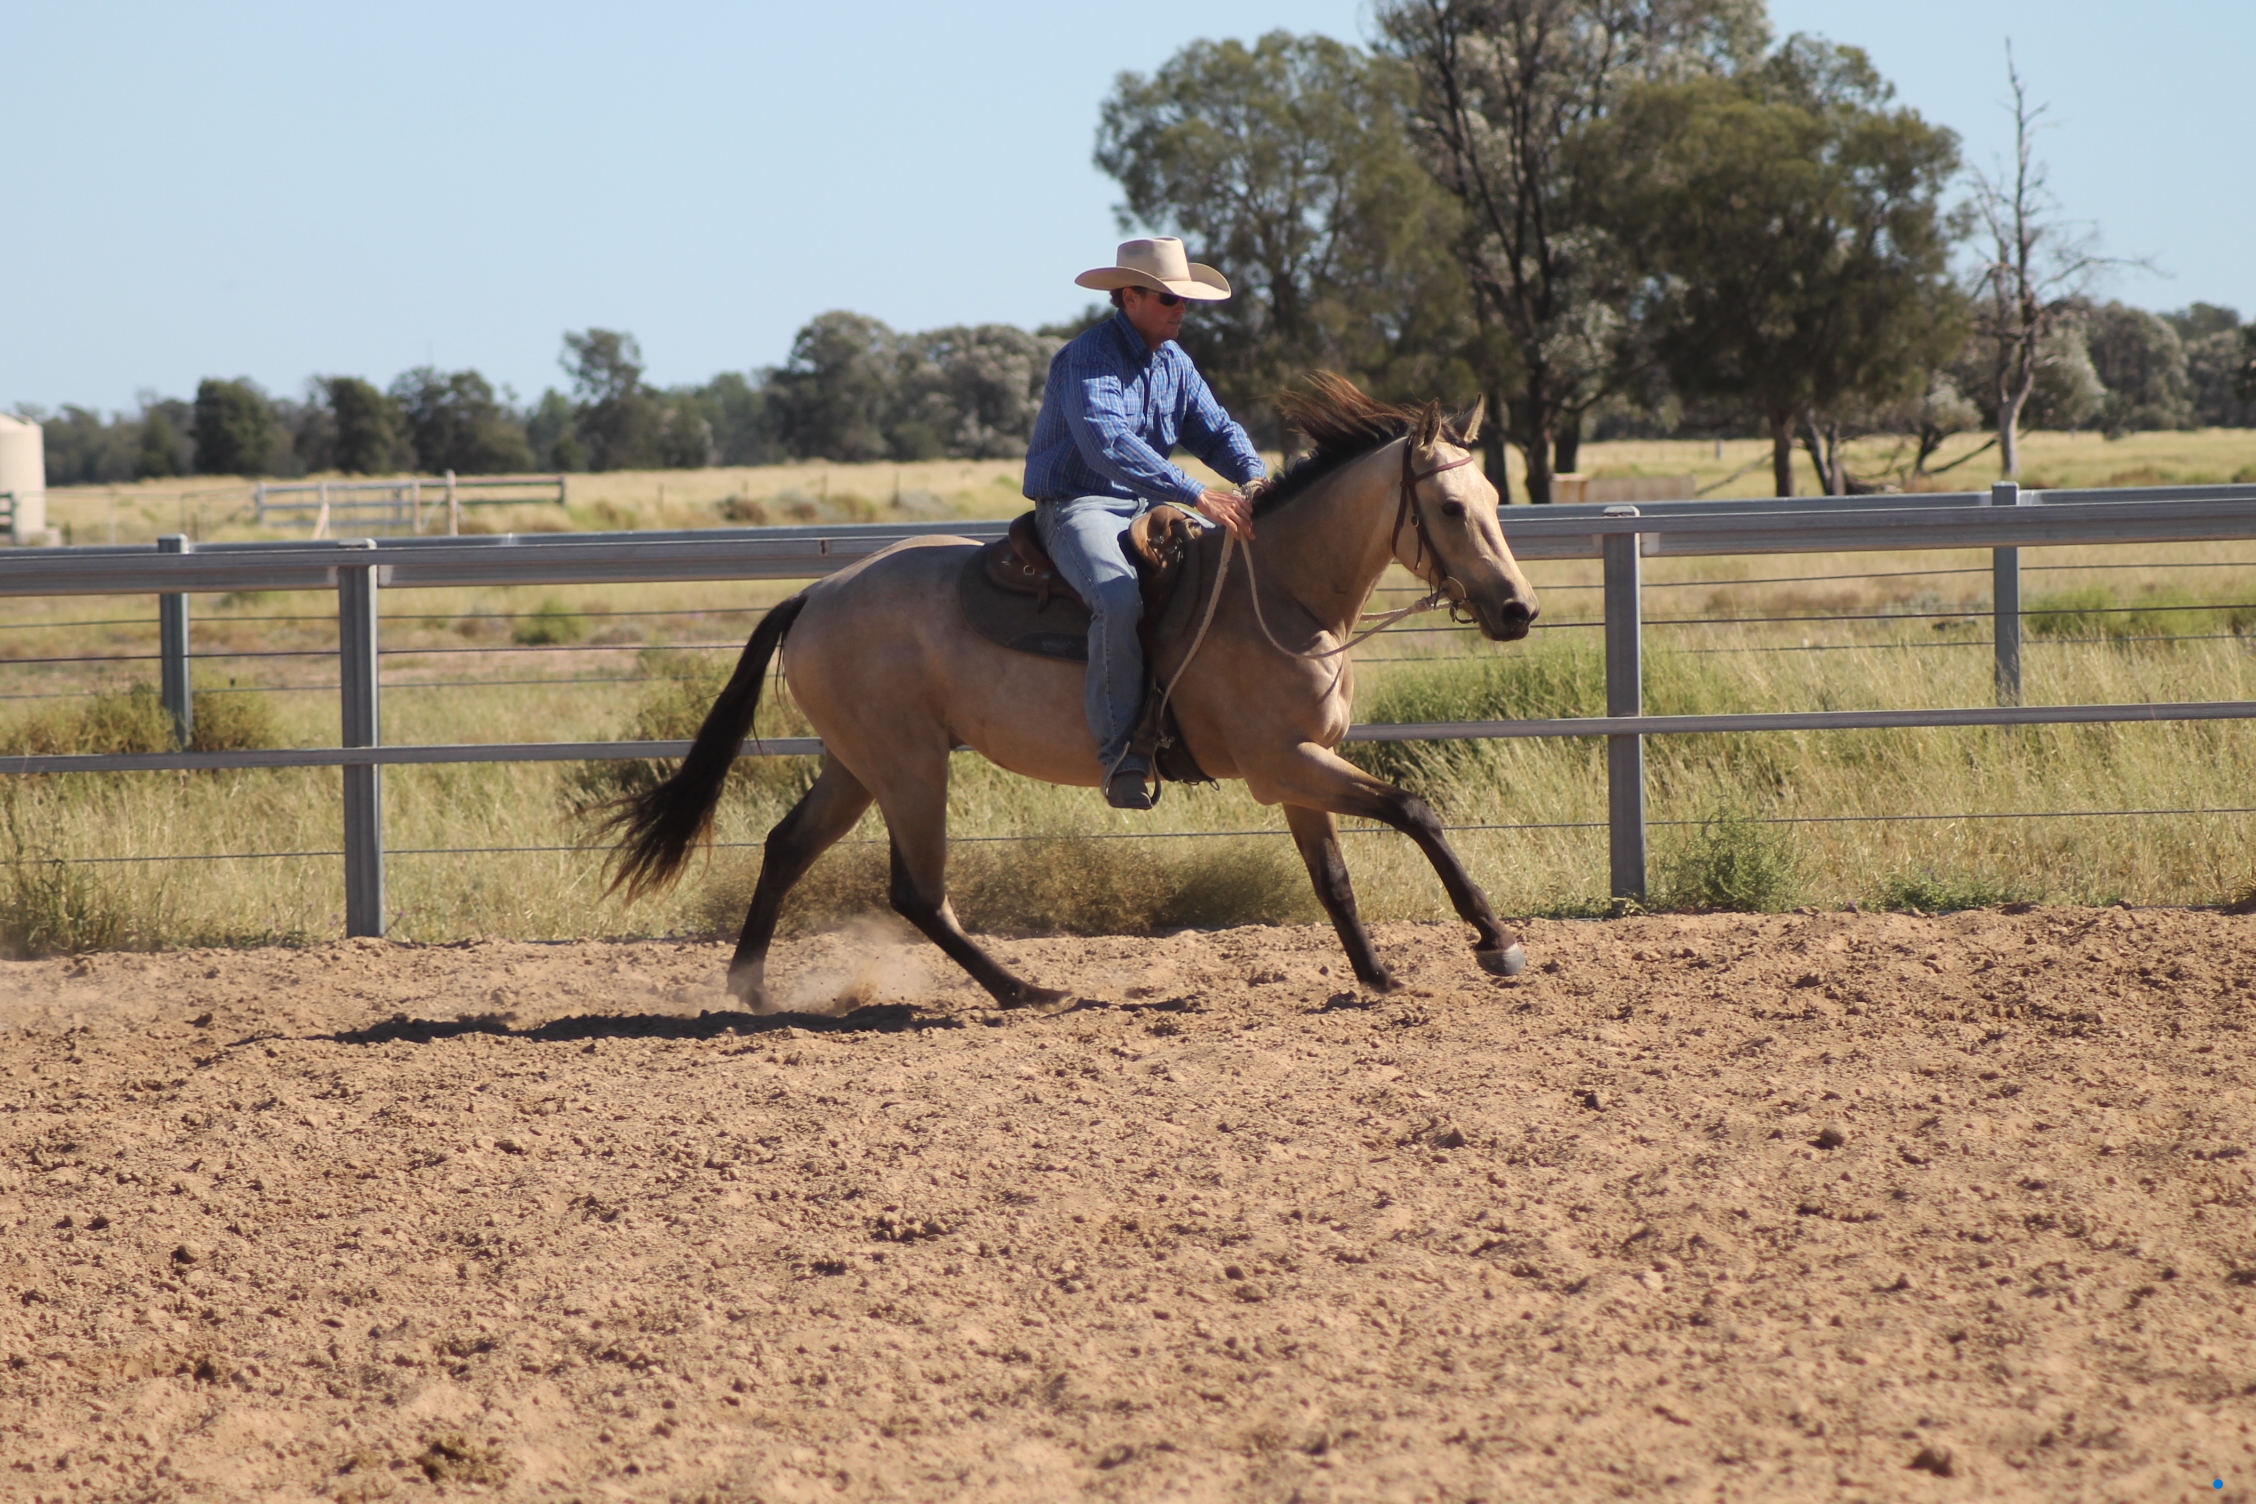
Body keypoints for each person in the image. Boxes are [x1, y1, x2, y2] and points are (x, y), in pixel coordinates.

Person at [1022, 237, 1265, 810]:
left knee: (1220, 575)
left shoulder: (1175, 362)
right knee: (1117, 599)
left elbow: (1216, 430)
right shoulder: (1088, 357)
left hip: (1147, 504)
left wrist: (1253, 477)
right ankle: (1122, 755)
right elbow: (1107, 442)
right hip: (1079, 505)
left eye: (1185, 299)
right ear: (1130, 297)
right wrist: (1197, 494)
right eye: (1168, 298)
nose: (1182, 309)